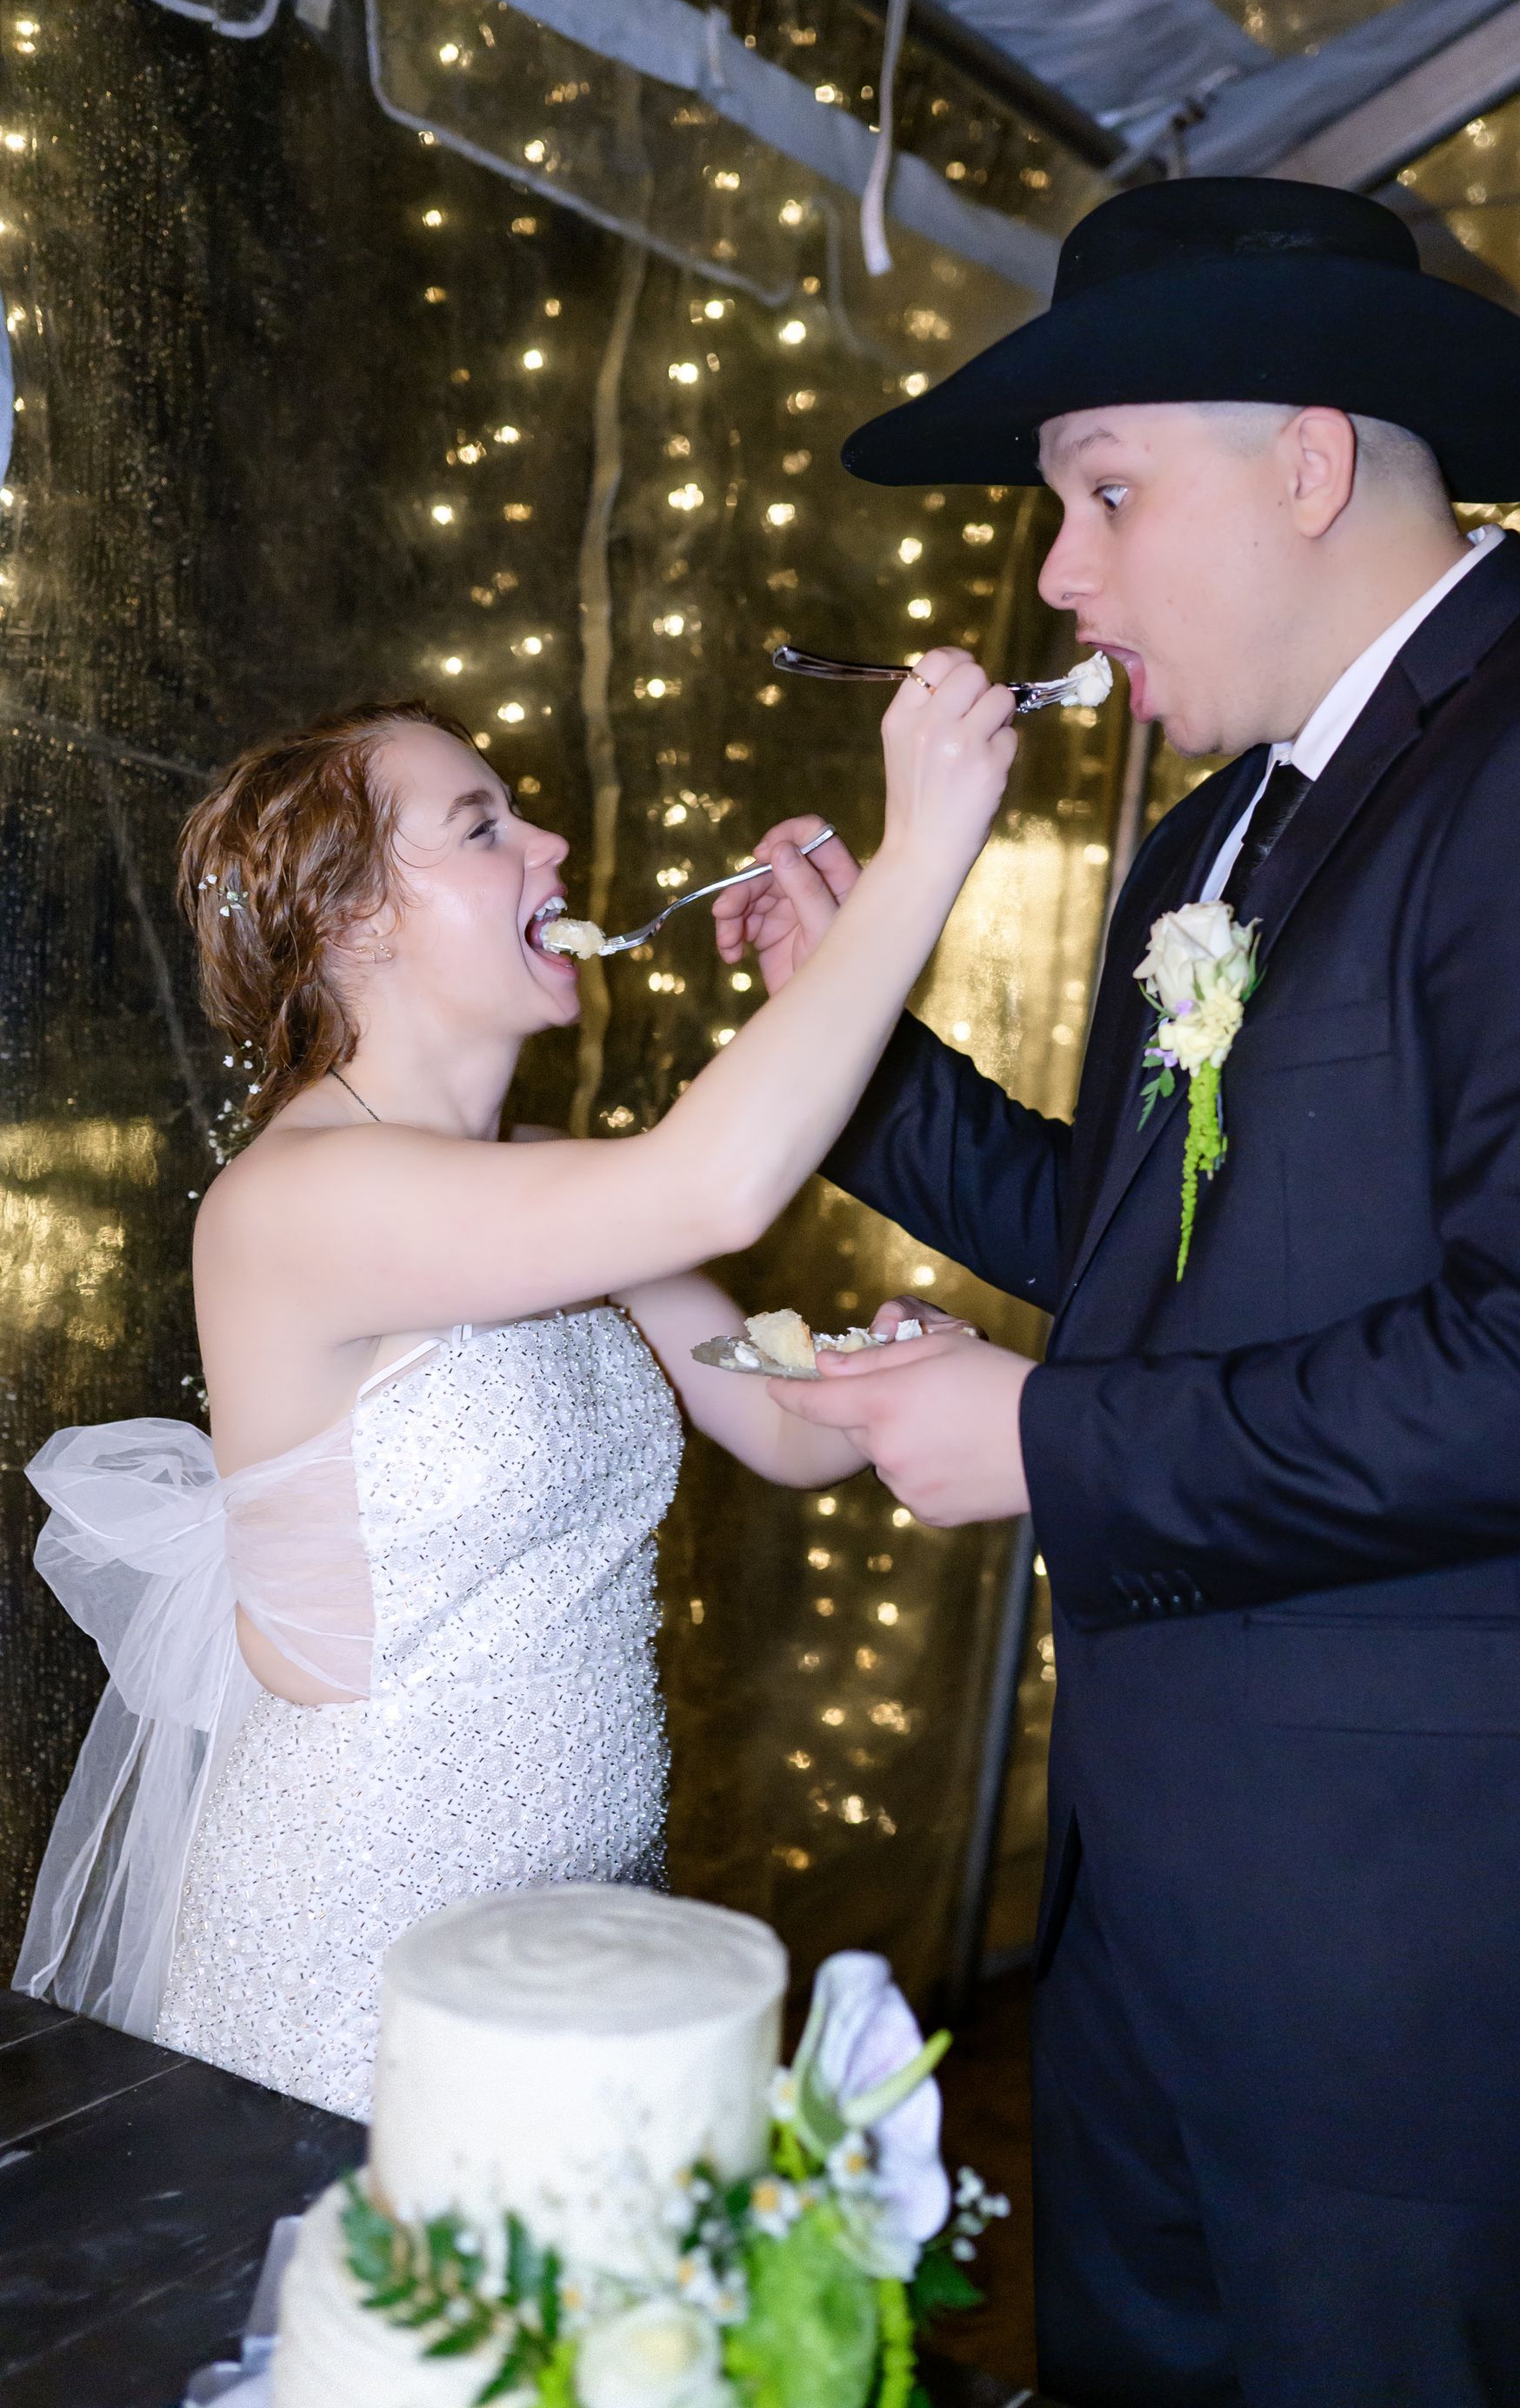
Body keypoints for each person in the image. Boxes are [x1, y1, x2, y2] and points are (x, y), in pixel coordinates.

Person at [715, 177, 1520, 2406]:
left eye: (1107, 494)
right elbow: (1155, 1253)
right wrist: (852, 1048)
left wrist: (1044, 1438)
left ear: (1311, 463)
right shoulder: (1209, 838)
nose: (1059, 572)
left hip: (1435, 1995)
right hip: (1154, 1941)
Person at [15, 684, 1014, 2119]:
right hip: (365, 1948)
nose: (549, 844)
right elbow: (714, 1186)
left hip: (587, 1922)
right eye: (482, 827)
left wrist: (879, 1367)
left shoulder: (546, 1172)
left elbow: (780, 1428)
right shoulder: (296, 1202)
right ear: (352, 919)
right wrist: (918, 858)